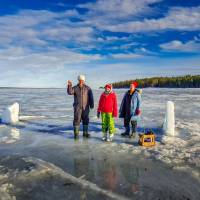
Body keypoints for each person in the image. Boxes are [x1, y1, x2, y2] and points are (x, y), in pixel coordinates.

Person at [67, 75, 94, 139]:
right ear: (78, 80)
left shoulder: (88, 88)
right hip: (77, 107)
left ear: (84, 81)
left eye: (82, 80)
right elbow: (70, 92)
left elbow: (91, 97)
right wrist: (69, 85)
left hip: (86, 107)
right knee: (77, 120)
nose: (81, 81)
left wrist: (92, 104)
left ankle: (85, 133)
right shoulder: (75, 88)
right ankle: (76, 134)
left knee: (86, 120)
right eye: (80, 80)